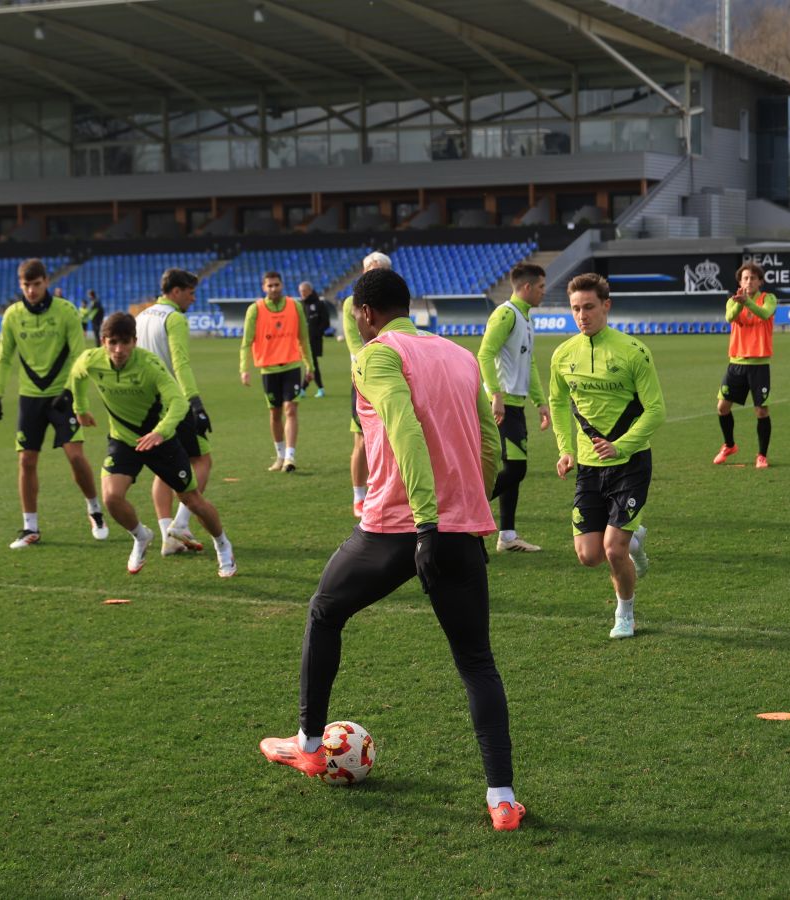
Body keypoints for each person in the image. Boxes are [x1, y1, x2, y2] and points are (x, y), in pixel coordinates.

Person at [259, 268, 523, 831]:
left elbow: (403, 426)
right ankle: (502, 799)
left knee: (325, 611)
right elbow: (490, 442)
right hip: (458, 530)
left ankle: (308, 743)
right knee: (477, 662)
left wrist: (425, 522)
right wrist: (471, 507)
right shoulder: (459, 356)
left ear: (363, 312)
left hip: (395, 528)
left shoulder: (376, 354)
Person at [68, 312, 235, 578]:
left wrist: (160, 432)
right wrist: (80, 408)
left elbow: (179, 402)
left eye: (125, 342)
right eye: (112, 342)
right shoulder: (91, 360)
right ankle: (140, 536)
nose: (118, 349)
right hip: (123, 440)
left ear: (135, 341)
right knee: (111, 497)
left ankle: (222, 544)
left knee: (192, 499)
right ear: (103, 341)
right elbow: (76, 376)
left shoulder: (150, 365)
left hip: (161, 441)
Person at [549, 273, 665, 639]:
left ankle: (625, 613)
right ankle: (634, 537)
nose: (582, 315)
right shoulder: (563, 354)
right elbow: (557, 402)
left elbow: (656, 409)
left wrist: (623, 445)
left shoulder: (633, 351)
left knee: (613, 550)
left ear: (606, 306)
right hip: (588, 467)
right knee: (589, 555)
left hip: (630, 464)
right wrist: (566, 450)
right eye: (575, 309)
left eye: (589, 307)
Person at [0, 258, 107, 549]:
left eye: (36, 284)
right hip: (30, 399)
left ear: (46, 282)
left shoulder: (66, 311)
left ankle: (94, 509)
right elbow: (4, 358)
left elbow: (80, 355)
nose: (31, 290)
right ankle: (30, 527)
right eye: (26, 285)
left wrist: (69, 391)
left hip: (62, 397)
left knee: (75, 456)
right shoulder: (12, 316)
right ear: (20, 285)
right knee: (26, 460)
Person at [135, 268, 215, 558]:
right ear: (177, 291)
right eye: (191, 293)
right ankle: (181, 524)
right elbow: (180, 363)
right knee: (203, 459)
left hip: (149, 405)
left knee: (163, 466)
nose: (193, 299)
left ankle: (168, 533)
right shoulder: (174, 318)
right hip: (174, 402)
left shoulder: (141, 316)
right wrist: (195, 403)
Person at [477, 263, 552, 553]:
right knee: (516, 469)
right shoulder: (506, 314)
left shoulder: (524, 318)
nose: (544, 292)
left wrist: (540, 402)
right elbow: (485, 353)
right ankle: (465, 519)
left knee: (512, 468)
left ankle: (507, 535)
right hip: (503, 406)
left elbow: (528, 364)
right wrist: (495, 393)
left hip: (516, 405)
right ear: (527, 287)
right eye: (542, 287)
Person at [239, 271, 314, 472]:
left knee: (291, 409)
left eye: (276, 284)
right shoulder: (255, 310)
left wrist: (310, 366)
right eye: (269, 285)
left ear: (282, 285)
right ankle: (280, 456)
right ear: (264, 288)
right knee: (275, 413)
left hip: (291, 366)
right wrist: (244, 369)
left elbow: (303, 339)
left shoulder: (295, 306)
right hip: (268, 370)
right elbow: (246, 343)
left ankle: (290, 457)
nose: (273, 288)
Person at [342, 251, 391, 516]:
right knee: (361, 439)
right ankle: (359, 497)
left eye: (378, 270)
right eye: (369, 269)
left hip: (390, 371)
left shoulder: (393, 300)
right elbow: (353, 340)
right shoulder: (351, 302)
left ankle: (386, 491)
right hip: (364, 372)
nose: (373, 274)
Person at [714, 262, 777, 469]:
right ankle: (729, 445)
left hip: (759, 365)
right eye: (745, 278)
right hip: (736, 363)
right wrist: (740, 302)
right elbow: (729, 317)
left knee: (761, 411)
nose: (749, 281)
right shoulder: (732, 301)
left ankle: (761, 455)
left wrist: (747, 301)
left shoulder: (768, 299)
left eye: (753, 278)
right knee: (722, 407)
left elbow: (764, 314)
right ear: (740, 282)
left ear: (760, 281)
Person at [298, 281, 330, 398]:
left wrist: (316, 333)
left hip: (314, 340)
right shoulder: (300, 305)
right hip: (301, 341)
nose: (301, 293)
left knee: (312, 364)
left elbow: (326, 322)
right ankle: (306, 389)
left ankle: (304, 389)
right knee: (310, 364)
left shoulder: (319, 304)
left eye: (303, 290)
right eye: (300, 291)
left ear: (310, 291)